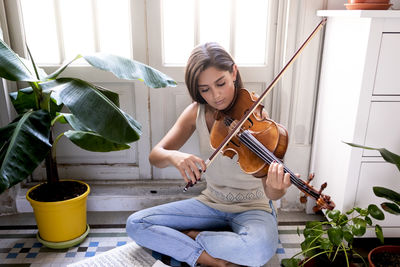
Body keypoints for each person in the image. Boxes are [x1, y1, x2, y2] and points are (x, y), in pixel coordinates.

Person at [126, 42, 292, 267]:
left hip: (253, 207)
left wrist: (277, 189)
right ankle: (211, 259)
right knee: (136, 223)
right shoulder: (197, 111)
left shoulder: (254, 114)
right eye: (205, 89)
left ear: (233, 72)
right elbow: (156, 155)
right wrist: (176, 157)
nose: (216, 96)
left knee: (259, 250)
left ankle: (193, 237)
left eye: (220, 83)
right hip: (211, 203)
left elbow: (270, 191)